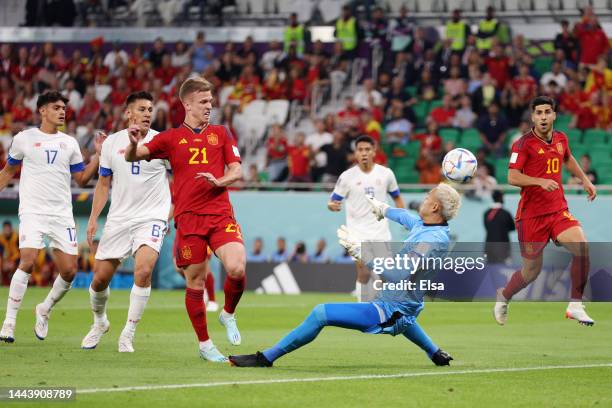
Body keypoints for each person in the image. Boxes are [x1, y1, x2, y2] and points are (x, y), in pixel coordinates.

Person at [229, 184, 461, 367]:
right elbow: (405, 217)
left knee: (321, 313)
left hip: (389, 309)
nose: (423, 199)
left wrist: (363, 254)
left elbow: (398, 275)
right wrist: (383, 208)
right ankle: (434, 352)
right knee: (403, 316)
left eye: (427, 197)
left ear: (434, 208)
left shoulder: (431, 241)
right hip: (399, 306)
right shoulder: (427, 226)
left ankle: (266, 358)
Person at [125, 77, 246, 362]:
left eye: (211, 102)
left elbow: (237, 171)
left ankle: (228, 313)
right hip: (189, 220)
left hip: (219, 214)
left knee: (237, 267)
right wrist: (132, 144)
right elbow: (135, 156)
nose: (209, 106)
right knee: (195, 281)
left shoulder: (221, 133)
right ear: (187, 103)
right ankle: (205, 344)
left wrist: (219, 181)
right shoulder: (169, 138)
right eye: (204, 102)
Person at [0, 91, 101, 343]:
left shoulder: (70, 143)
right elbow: (8, 171)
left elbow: (81, 179)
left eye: (63, 108)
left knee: (69, 271)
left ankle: (44, 308)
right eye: (56, 107)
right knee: (28, 260)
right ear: (42, 111)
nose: (62, 111)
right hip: (33, 210)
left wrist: (98, 157)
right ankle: (9, 323)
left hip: (61, 214)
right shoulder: (23, 139)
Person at [80, 92, 171, 352]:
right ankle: (100, 322)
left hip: (151, 216)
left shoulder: (162, 142)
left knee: (143, 271)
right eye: (141, 109)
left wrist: (172, 212)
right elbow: (104, 183)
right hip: (120, 218)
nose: (147, 114)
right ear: (128, 113)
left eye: (150, 109)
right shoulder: (111, 144)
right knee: (99, 279)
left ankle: (128, 333)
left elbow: (179, 180)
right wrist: (93, 219)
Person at [494, 96, 597, 326]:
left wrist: (584, 180)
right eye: (538, 112)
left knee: (582, 246)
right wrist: (539, 181)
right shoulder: (522, 144)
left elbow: (568, 159)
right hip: (531, 216)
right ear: (532, 117)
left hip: (557, 210)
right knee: (531, 271)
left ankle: (575, 305)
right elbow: (512, 176)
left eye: (547, 112)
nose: (543, 117)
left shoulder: (561, 138)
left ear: (554, 115)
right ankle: (504, 295)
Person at [327, 136, 404, 302]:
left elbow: (397, 197)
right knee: (364, 272)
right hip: (357, 233)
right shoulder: (347, 177)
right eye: (360, 150)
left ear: (374, 152)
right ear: (355, 153)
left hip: (380, 232)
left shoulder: (386, 174)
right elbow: (333, 201)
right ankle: (362, 309)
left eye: (367, 149)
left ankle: (387, 310)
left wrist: (403, 217)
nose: (364, 153)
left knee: (386, 275)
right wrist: (332, 206)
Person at [484, 190, 515, 264]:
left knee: (490, 270)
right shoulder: (506, 213)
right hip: (503, 247)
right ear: (501, 198)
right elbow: (512, 227)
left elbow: (487, 227)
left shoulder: (486, 213)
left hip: (489, 246)